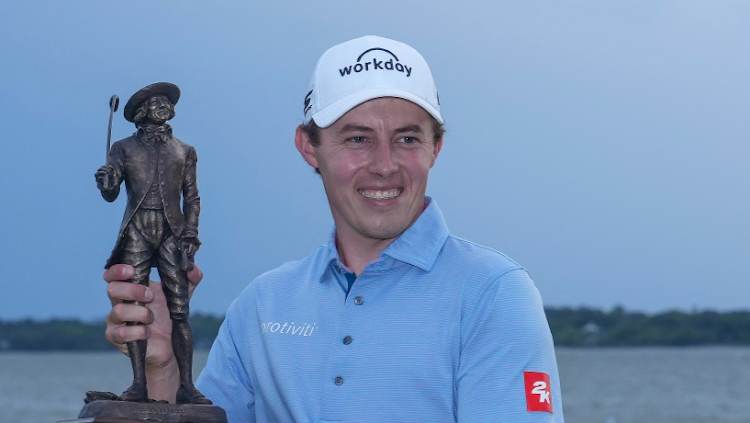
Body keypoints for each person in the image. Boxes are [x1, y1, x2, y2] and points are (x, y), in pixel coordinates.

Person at [104, 36, 564, 421]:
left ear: (435, 147)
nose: (384, 166)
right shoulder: (262, 306)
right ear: (309, 147)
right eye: (357, 138)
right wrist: (163, 367)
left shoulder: (495, 294)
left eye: (407, 138)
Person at [96, 82, 210, 404]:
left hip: (172, 232)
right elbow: (112, 192)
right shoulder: (122, 147)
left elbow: (193, 198)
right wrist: (105, 182)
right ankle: (138, 386)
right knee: (134, 309)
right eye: (155, 102)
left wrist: (190, 233)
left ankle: (186, 385)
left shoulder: (185, 150)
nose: (163, 106)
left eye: (165, 102)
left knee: (180, 312)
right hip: (137, 229)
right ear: (142, 113)